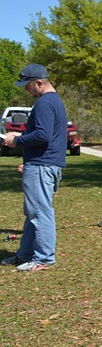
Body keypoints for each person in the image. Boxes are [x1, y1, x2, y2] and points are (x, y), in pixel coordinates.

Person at [1, 64, 67, 272]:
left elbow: (43, 135)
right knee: (33, 212)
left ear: (39, 83)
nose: (26, 90)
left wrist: (16, 140)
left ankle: (44, 258)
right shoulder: (53, 101)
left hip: (42, 165)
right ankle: (25, 254)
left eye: (28, 86)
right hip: (43, 164)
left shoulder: (45, 103)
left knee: (39, 212)